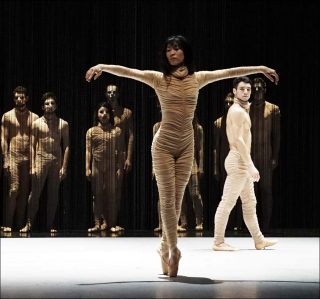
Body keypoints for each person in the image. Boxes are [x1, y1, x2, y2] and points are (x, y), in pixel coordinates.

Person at [85, 34, 279, 277]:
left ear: (185, 52)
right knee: (167, 199)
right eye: (168, 49)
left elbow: (229, 72)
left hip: (186, 145)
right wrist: (103, 66)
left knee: (177, 201)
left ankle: (164, 246)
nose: (172, 53)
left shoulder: (197, 79)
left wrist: (260, 68)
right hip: (164, 145)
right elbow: (129, 72)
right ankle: (174, 250)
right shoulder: (159, 79)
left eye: (176, 49)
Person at [213, 76, 277, 251]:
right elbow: (239, 140)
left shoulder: (240, 109)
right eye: (242, 89)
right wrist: (250, 165)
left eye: (248, 89)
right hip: (239, 161)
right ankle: (218, 242)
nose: (246, 92)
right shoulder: (237, 111)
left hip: (240, 160)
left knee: (249, 202)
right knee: (227, 202)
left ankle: (259, 240)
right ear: (234, 91)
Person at [20, 92, 69, 233]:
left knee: (53, 194)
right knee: (35, 194)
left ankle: (50, 224)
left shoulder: (63, 124)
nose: (50, 106)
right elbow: (32, 145)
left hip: (56, 161)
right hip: (41, 158)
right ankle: (28, 224)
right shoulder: (36, 123)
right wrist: (33, 166)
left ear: (56, 106)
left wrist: (64, 167)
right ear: (42, 106)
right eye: (47, 103)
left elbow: (66, 146)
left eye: (52, 103)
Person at [1, 86, 39, 232]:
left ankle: (18, 225)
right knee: (14, 189)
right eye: (16, 97)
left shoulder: (34, 117)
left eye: (21, 97)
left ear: (26, 98)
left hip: (28, 157)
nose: (19, 99)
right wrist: (5, 159)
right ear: (13, 98)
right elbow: (3, 139)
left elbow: (36, 141)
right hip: (13, 155)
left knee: (24, 192)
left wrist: (34, 162)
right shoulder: (7, 116)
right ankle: (8, 224)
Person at [250, 77, 280, 231]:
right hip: (250, 155)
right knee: (251, 193)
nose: (257, 91)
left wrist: (275, 156)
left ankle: (266, 225)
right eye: (254, 88)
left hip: (266, 155)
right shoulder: (246, 108)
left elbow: (276, 135)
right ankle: (253, 227)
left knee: (266, 190)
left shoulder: (273, 109)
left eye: (260, 88)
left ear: (264, 90)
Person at [86, 102, 122, 233]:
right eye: (101, 112)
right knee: (97, 195)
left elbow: (120, 151)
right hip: (97, 165)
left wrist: (119, 168)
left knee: (111, 195)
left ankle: (111, 223)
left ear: (110, 114)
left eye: (106, 112)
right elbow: (88, 151)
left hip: (111, 166)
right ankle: (97, 223)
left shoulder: (116, 131)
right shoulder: (91, 131)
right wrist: (87, 168)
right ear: (97, 114)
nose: (104, 114)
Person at [105, 84, 133, 232]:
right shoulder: (102, 111)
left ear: (118, 94)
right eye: (109, 92)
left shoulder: (126, 112)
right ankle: (102, 222)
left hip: (119, 155)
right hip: (103, 155)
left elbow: (131, 136)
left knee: (116, 190)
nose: (112, 95)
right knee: (101, 189)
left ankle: (113, 222)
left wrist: (129, 157)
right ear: (106, 94)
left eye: (114, 92)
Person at [213, 92, 243, 231]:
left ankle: (239, 223)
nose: (228, 105)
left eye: (230, 102)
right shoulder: (218, 123)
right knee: (226, 195)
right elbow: (216, 148)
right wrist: (216, 168)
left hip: (240, 159)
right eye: (226, 102)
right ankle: (228, 225)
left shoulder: (241, 119)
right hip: (225, 161)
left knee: (242, 194)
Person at [178, 115, 204, 232]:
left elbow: (200, 149)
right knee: (181, 196)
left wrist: (201, 166)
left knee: (195, 194)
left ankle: (199, 221)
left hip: (192, 163)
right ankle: (183, 222)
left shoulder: (197, 128)